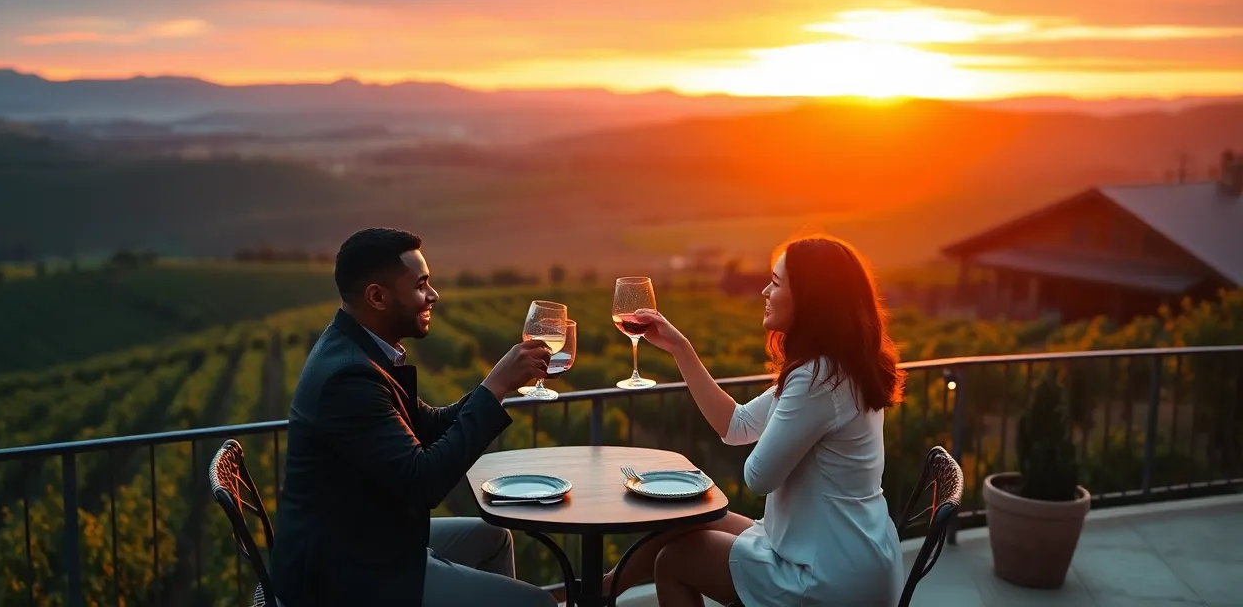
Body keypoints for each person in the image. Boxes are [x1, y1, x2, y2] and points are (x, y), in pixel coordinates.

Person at [606, 234, 906, 606]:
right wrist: (679, 347)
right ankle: (603, 589)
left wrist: (784, 428)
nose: (765, 290)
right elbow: (738, 425)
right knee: (685, 518)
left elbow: (758, 477)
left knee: (676, 560)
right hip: (845, 550)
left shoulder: (816, 379)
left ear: (811, 299)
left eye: (777, 283)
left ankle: (595, 591)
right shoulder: (837, 365)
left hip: (828, 574)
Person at [274, 228, 558, 607]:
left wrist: (497, 385)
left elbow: (426, 425)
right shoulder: (348, 378)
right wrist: (494, 386)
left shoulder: (360, 350)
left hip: (371, 539)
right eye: (421, 285)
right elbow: (424, 480)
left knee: (492, 539)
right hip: (347, 573)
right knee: (536, 604)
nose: (433, 295)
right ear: (377, 296)